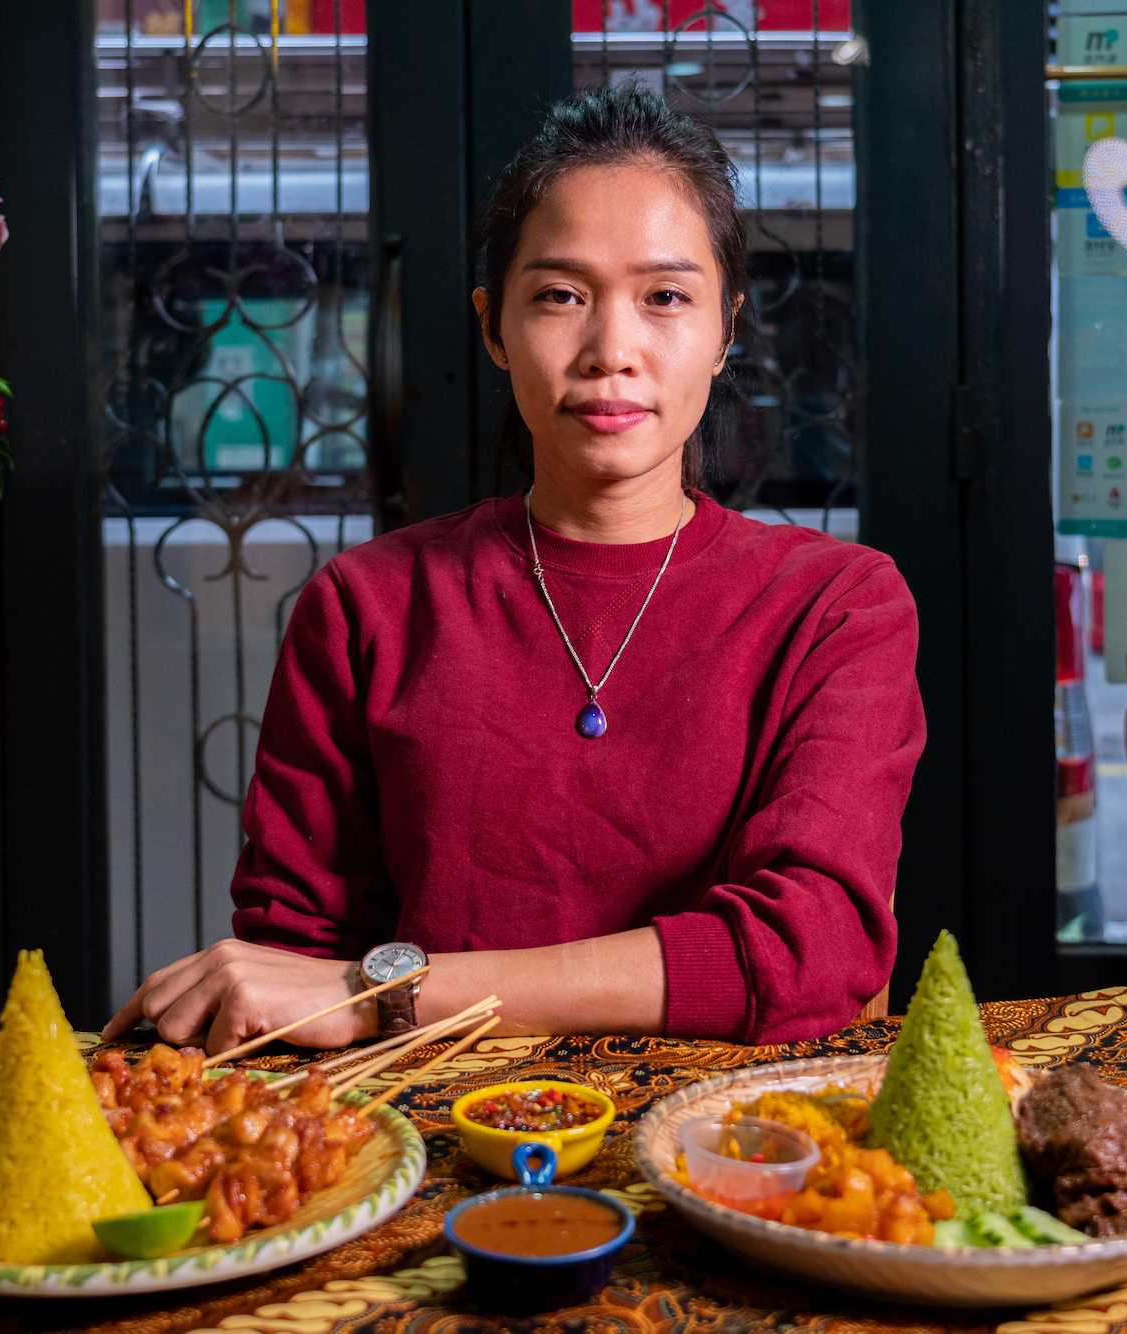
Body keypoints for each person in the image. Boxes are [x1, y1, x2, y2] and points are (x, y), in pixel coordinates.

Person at [103, 85, 924, 1053]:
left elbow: (809, 951)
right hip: (415, 1153)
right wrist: (344, 993)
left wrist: (389, 989)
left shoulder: (836, 605)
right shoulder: (365, 608)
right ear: (493, 327)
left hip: (723, 1152)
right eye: (559, 295)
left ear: (725, 329)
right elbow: (289, 968)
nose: (610, 350)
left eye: (664, 296)